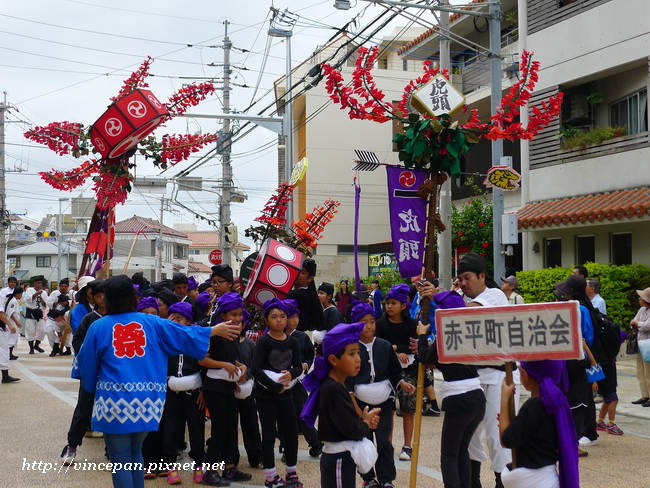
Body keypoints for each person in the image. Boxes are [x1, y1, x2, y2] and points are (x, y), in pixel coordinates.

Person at [73, 274, 240, 488]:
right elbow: (183, 333)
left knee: (120, 459)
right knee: (135, 453)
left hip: (113, 402)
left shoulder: (99, 327)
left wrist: (89, 386)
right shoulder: (152, 322)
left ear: (107, 298)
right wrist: (213, 330)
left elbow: (86, 368)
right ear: (134, 298)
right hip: (147, 402)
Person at [417, 291, 487, 488]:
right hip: (477, 398)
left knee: (449, 454)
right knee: (461, 450)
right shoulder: (471, 330)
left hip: (459, 399)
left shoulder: (448, 333)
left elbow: (425, 357)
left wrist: (422, 336)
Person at [301, 321, 381, 488]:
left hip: (342, 458)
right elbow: (353, 430)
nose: (358, 359)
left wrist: (364, 421)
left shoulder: (336, 386)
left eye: (358, 353)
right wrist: (365, 423)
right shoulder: (333, 389)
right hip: (339, 459)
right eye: (351, 354)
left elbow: (348, 424)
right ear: (333, 359)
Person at [457, 253, 511, 488]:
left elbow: (471, 312)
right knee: (469, 436)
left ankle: (502, 482)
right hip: (471, 377)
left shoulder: (495, 294)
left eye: (467, 278)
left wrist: (442, 297)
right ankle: (473, 483)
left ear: (482, 276)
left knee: (496, 433)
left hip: (500, 376)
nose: (463, 284)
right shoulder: (461, 298)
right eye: (459, 280)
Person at [350, 300, 414, 488]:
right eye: (363, 322)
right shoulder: (351, 347)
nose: (369, 326)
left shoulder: (384, 346)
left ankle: (386, 479)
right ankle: (368, 478)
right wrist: (358, 411)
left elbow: (395, 372)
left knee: (385, 441)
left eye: (372, 321)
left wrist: (402, 383)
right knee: (364, 441)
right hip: (361, 405)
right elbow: (348, 382)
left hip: (384, 403)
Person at [199, 292, 252, 485]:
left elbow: (231, 359)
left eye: (240, 315)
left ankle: (230, 468)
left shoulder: (234, 334)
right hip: (214, 387)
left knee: (230, 429)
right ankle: (209, 472)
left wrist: (240, 365)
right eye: (233, 315)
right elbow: (202, 359)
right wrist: (226, 365)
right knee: (219, 429)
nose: (237, 318)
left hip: (228, 386)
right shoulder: (214, 333)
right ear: (223, 316)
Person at [499, 360, 579, 488]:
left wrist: (504, 398)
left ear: (524, 374)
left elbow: (506, 441)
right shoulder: (557, 402)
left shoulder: (533, 406)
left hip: (532, 479)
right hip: (547, 475)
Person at [251, 298, 304, 488]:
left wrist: (292, 373)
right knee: (268, 434)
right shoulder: (264, 341)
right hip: (266, 395)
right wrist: (275, 387)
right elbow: (255, 369)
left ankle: (291, 471)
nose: (279, 320)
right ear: (267, 320)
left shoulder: (293, 342)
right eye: (274, 317)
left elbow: (298, 366)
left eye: (283, 316)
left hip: (286, 394)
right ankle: (270, 476)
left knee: (291, 433)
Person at [61, 279, 106, 466]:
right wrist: (90, 354)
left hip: (112, 375)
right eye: (98, 295)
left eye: (106, 295)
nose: (103, 298)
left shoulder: (117, 318)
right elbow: (77, 341)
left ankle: (111, 452)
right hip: (91, 372)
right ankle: (72, 445)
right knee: (84, 408)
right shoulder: (89, 318)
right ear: (93, 297)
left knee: (110, 410)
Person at [163, 301, 208, 485]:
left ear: (189, 321)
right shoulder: (166, 340)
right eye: (172, 319)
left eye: (179, 319)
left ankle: (198, 465)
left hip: (194, 393)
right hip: (172, 393)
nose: (175, 322)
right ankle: (170, 466)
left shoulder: (196, 340)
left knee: (196, 428)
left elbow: (205, 366)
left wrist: (204, 390)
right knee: (171, 429)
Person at [554, 274, 599, 448]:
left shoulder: (580, 309)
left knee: (583, 395)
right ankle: (581, 432)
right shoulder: (577, 307)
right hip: (573, 356)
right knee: (578, 394)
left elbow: (588, 336)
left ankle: (586, 432)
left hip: (577, 358)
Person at [375, 283, 418, 461]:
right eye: (388, 303)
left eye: (394, 303)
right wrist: (395, 350)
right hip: (387, 372)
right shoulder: (380, 324)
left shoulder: (412, 323)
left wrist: (397, 348)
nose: (389, 306)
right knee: (388, 410)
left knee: (408, 409)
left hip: (410, 370)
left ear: (403, 305)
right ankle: (387, 443)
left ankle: (407, 446)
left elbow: (414, 346)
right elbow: (378, 344)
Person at [287, 258, 325, 333]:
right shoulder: (307, 293)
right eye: (297, 270)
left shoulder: (298, 294)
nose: (297, 274)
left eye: (302, 272)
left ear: (310, 279)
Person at [630, 286, 650, 407]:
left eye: (641, 298)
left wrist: (636, 324)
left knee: (649, 372)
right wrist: (637, 324)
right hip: (640, 344)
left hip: (648, 345)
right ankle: (645, 395)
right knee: (640, 371)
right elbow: (633, 322)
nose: (639, 299)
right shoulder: (642, 310)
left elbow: (647, 326)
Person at [24, 275, 49, 354]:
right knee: (30, 330)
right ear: (34, 283)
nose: (40, 285)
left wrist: (42, 300)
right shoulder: (29, 290)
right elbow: (28, 299)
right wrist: (36, 294)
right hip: (31, 311)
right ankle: (31, 348)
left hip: (39, 312)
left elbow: (46, 305)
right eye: (38, 283)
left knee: (42, 330)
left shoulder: (44, 293)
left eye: (41, 283)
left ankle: (37, 345)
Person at [4, 286, 24, 360]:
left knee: (13, 338)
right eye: (21, 294)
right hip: (12, 322)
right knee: (11, 338)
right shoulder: (13, 301)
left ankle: (10, 353)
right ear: (18, 293)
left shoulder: (14, 300)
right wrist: (17, 322)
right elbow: (11, 314)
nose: (21, 296)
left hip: (13, 322)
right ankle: (9, 354)